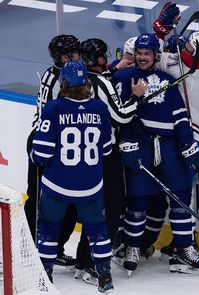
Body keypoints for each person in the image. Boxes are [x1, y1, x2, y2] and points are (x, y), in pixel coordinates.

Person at [112, 32, 199, 276]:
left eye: (147, 54)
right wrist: (128, 143)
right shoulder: (124, 77)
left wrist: (189, 148)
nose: (143, 58)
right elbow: (120, 113)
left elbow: (179, 115)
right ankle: (132, 247)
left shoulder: (167, 80)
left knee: (180, 198)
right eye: (140, 53)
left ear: (156, 55)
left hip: (169, 146)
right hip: (141, 145)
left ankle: (185, 248)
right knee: (138, 200)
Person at [30, 60, 114, 293]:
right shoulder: (99, 108)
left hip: (57, 185)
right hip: (90, 187)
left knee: (48, 229)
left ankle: (45, 275)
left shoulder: (54, 108)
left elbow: (41, 152)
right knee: (98, 231)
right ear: (86, 83)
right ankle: (104, 276)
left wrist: (33, 154)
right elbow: (106, 149)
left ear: (63, 83)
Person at [74, 38, 146, 284]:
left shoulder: (75, 80)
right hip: (105, 156)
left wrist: (114, 70)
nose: (107, 59)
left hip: (83, 157)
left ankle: (82, 261)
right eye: (103, 56)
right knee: (111, 209)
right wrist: (137, 97)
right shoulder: (102, 83)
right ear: (98, 59)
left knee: (92, 209)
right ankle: (94, 265)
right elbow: (121, 115)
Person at [145, 27, 199, 265]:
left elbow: (154, 58)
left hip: (191, 141)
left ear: (197, 56)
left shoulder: (188, 72)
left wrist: (161, 38)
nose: (183, 47)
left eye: (188, 47)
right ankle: (180, 243)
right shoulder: (196, 66)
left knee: (182, 197)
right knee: (178, 195)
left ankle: (186, 244)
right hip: (195, 137)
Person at [25, 34, 80, 267]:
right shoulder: (57, 77)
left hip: (63, 146)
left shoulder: (67, 73)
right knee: (39, 200)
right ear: (58, 57)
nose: (74, 58)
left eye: (76, 53)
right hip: (45, 143)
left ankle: (53, 247)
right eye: (69, 54)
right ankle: (26, 247)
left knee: (69, 202)